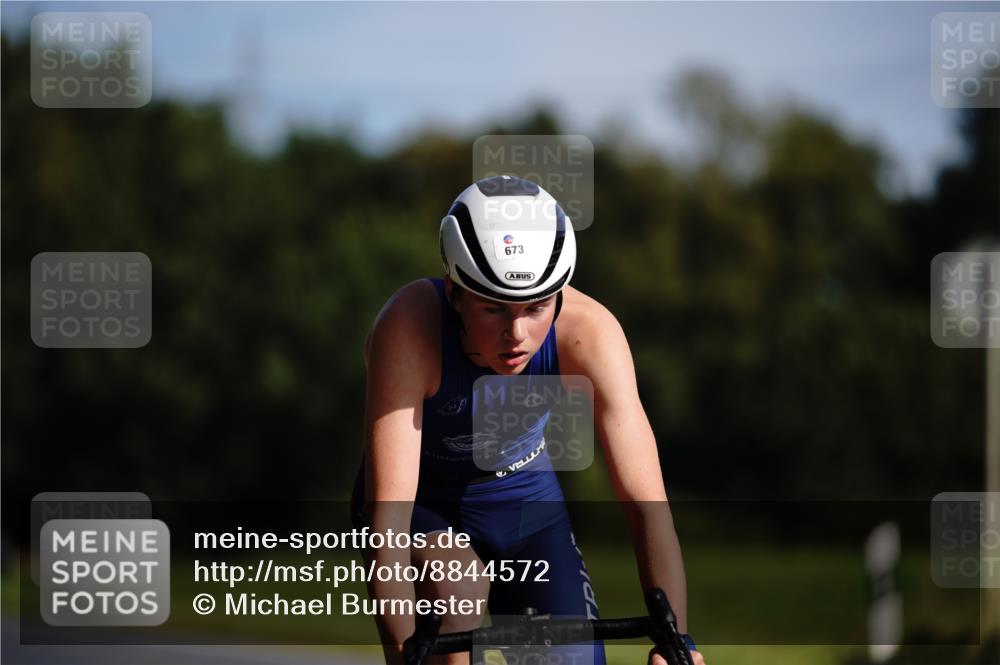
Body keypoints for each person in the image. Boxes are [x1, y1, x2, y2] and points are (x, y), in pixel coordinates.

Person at [352, 175, 704, 665]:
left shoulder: (590, 332)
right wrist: (402, 647)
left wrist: (678, 642)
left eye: (536, 307)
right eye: (494, 307)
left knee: (571, 658)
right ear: (454, 292)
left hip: (524, 503)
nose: (515, 333)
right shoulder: (409, 328)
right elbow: (388, 517)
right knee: (458, 593)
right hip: (423, 507)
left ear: (559, 296)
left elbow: (646, 505)